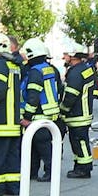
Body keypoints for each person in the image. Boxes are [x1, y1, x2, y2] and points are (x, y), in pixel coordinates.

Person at [20, 38, 62, 182]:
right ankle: (33, 173)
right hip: (49, 113)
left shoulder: (35, 72)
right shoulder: (48, 68)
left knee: (42, 146)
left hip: (39, 114)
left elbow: (33, 97)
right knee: (37, 146)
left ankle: (50, 172)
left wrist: (27, 117)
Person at [0, 32, 22, 196]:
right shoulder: (13, 65)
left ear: (1, 48)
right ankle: (12, 187)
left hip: (0, 121)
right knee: (11, 157)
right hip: (13, 121)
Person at [60, 45, 97, 179]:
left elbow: (71, 95)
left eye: (66, 55)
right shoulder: (85, 69)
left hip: (77, 114)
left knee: (79, 142)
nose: (64, 57)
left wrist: (62, 110)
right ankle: (80, 166)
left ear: (72, 56)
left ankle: (83, 169)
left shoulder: (75, 72)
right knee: (80, 142)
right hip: (84, 112)